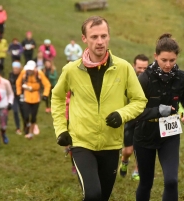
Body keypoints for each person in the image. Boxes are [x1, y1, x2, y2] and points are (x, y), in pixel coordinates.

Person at [51, 16, 147, 201]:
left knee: (102, 197)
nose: (100, 41)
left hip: (111, 144)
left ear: (109, 37)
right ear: (84, 39)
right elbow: (56, 97)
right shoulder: (71, 70)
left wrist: (122, 114)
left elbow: (139, 100)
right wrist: (61, 129)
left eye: (104, 36)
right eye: (94, 37)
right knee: (93, 195)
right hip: (81, 143)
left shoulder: (124, 68)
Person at [131, 33, 184, 201]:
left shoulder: (183, 78)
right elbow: (134, 110)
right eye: (164, 60)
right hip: (145, 134)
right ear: (155, 56)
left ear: (177, 58)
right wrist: (158, 110)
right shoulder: (144, 79)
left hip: (170, 134)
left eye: (172, 60)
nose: (168, 64)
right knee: (146, 183)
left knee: (171, 181)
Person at [119, 54, 149, 181]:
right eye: (139, 67)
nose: (142, 71)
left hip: (145, 119)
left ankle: (137, 170)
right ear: (134, 66)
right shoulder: (127, 81)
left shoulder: (150, 81)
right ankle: (124, 161)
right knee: (129, 150)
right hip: (130, 120)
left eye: (145, 68)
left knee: (142, 150)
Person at [16, 60, 51, 139]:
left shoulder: (39, 73)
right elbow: (18, 82)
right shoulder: (24, 72)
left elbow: (47, 84)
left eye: (30, 70)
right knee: (25, 116)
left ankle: (31, 132)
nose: (29, 71)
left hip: (36, 97)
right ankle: (27, 128)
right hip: (26, 96)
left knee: (33, 116)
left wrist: (45, 94)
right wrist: (18, 93)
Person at [8, 61, 23, 135]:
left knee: (24, 112)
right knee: (15, 111)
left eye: (16, 69)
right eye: (14, 68)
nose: (15, 70)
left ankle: (26, 126)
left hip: (22, 95)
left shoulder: (23, 75)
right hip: (14, 95)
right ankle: (18, 127)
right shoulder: (11, 74)